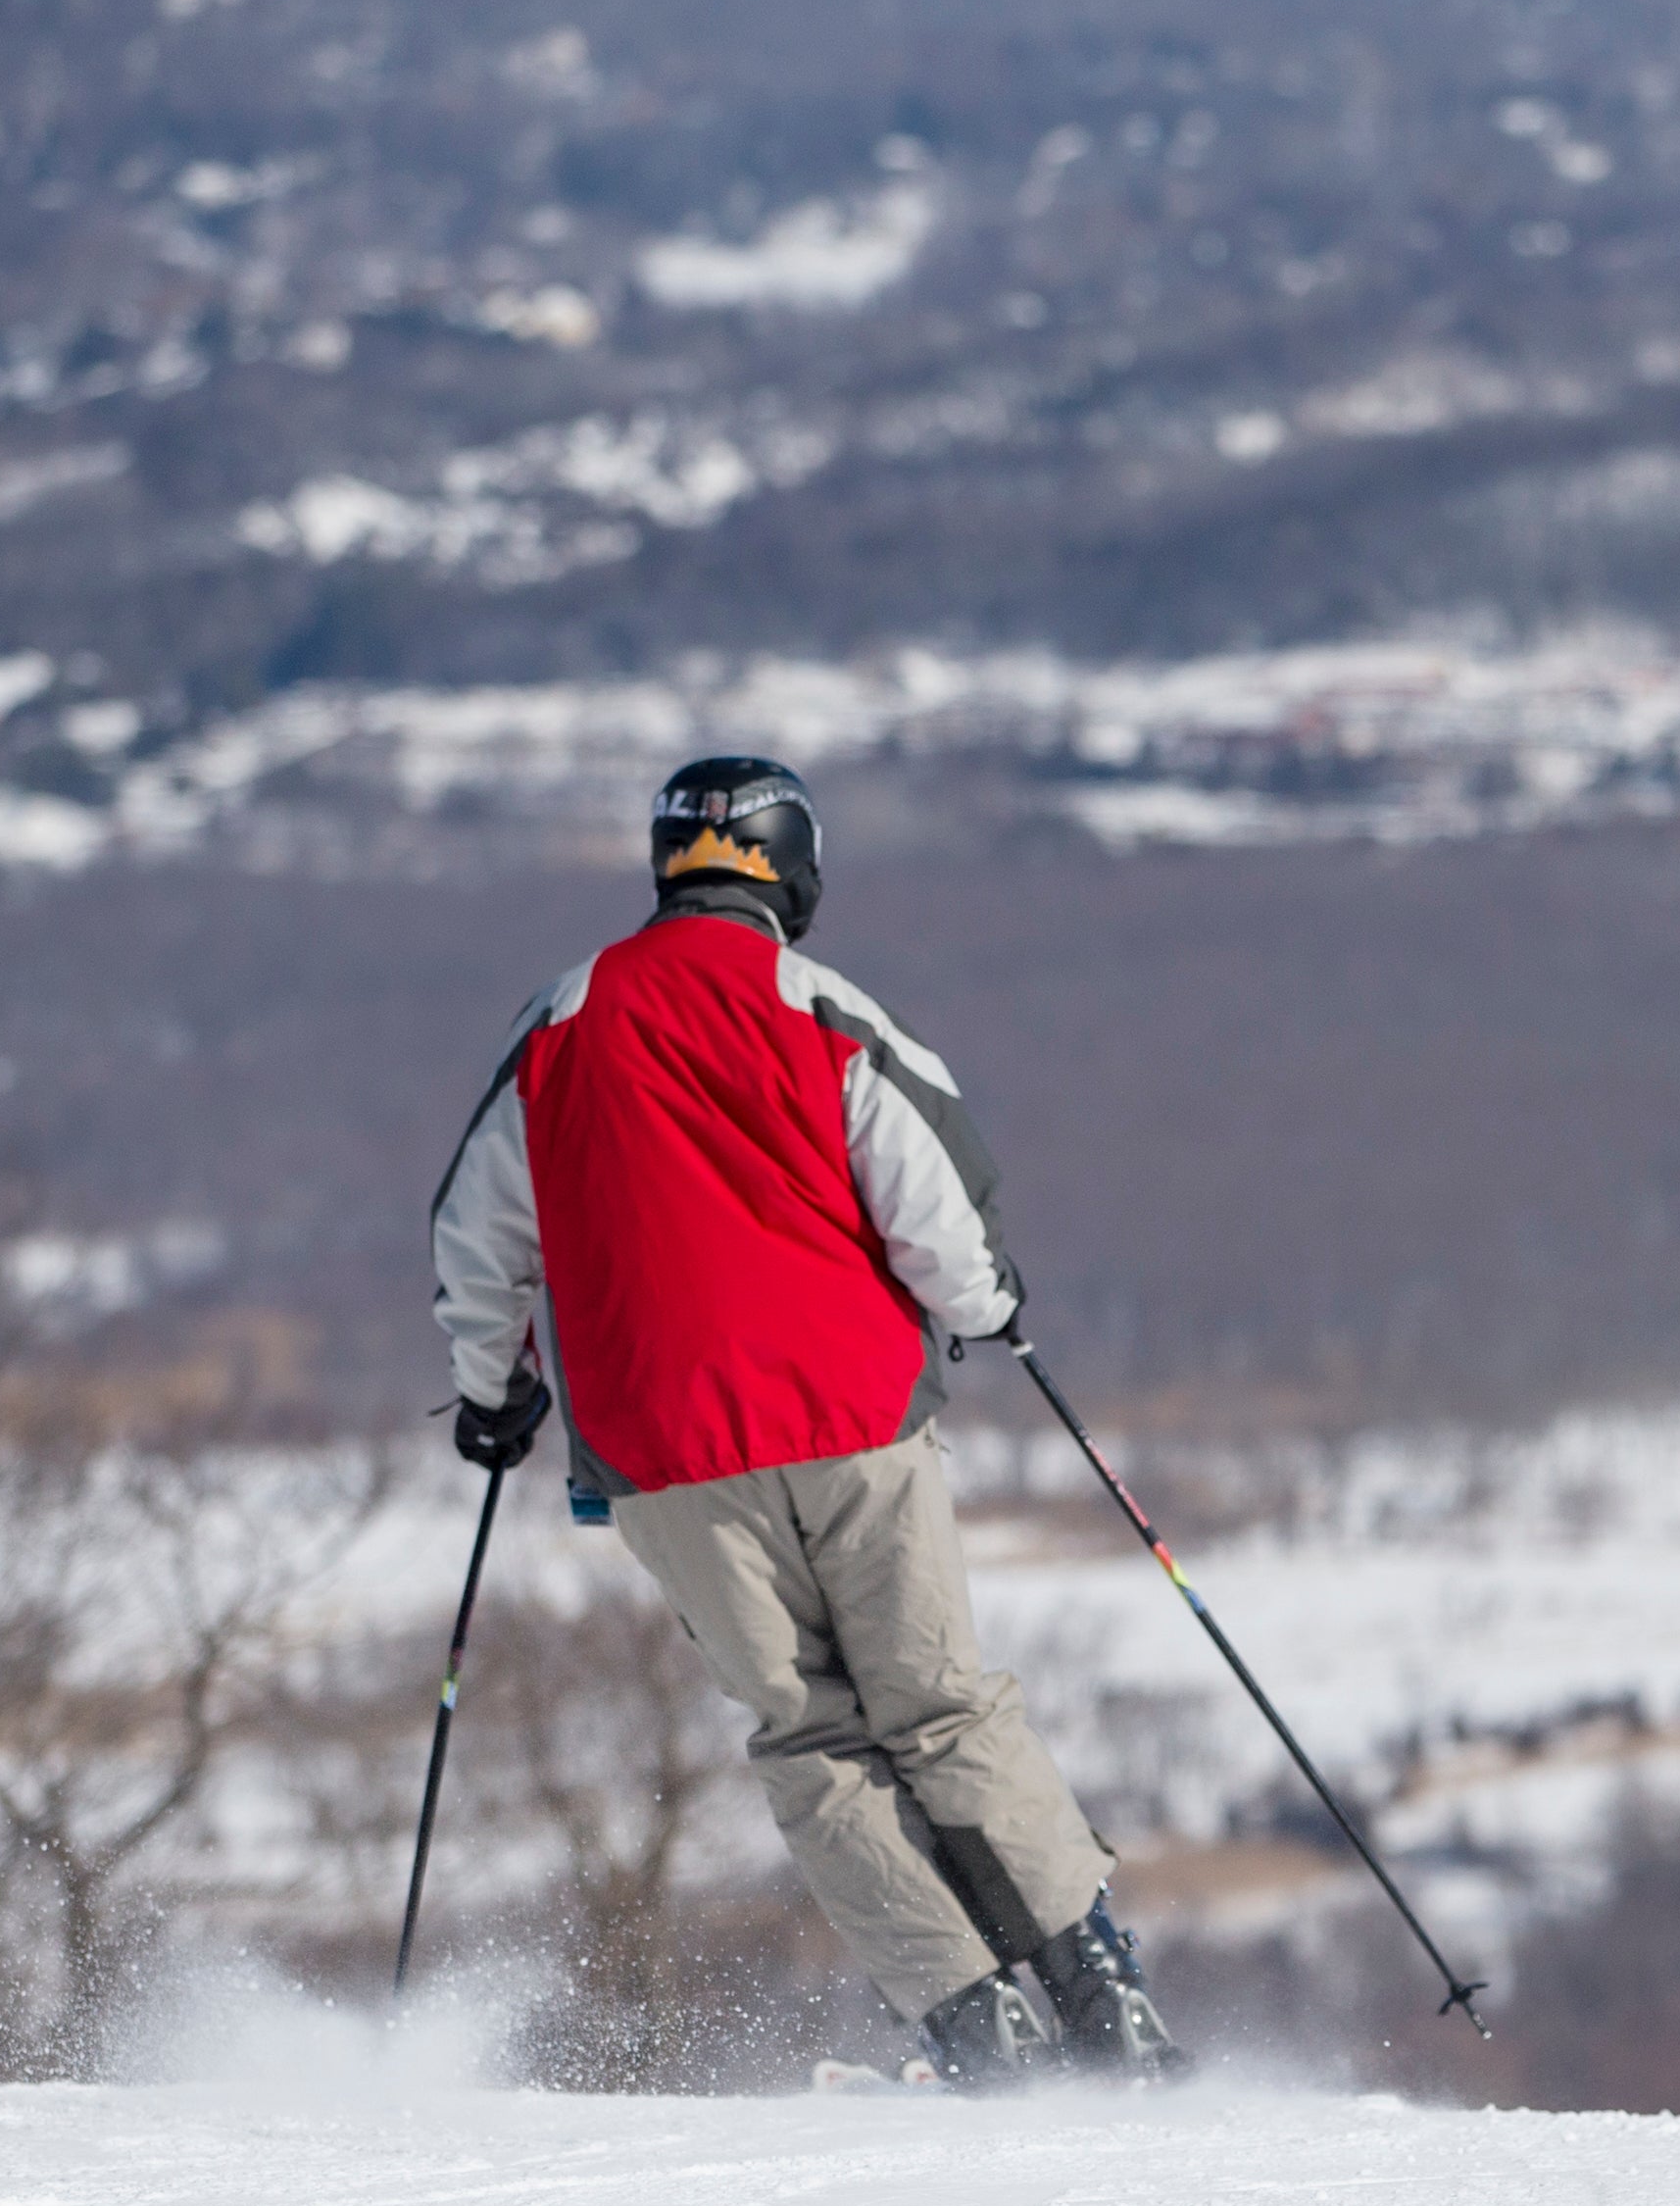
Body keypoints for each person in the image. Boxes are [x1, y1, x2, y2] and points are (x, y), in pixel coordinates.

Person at [430, 754, 1186, 2087]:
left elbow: (474, 1232)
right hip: (851, 1419)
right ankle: (1094, 1988)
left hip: (665, 1452)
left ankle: (969, 2020)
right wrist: (992, 1305)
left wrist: (494, 1394)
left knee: (813, 1737)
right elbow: (931, 1199)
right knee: (941, 1704)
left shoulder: (560, 1017)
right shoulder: (815, 1002)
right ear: (797, 867)